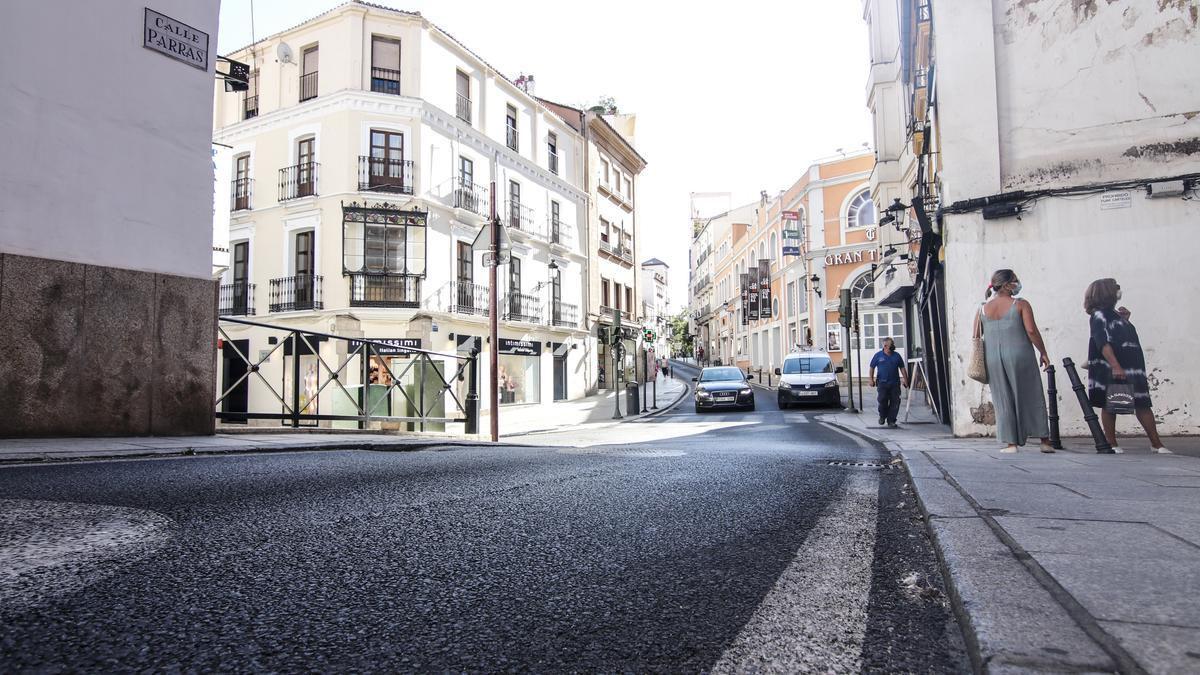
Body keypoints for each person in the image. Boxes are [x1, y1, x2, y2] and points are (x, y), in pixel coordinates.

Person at [1084, 278, 1172, 454]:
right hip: (1115, 367)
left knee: (1142, 403)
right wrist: (1115, 365)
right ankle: (1112, 442)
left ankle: (1156, 443)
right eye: (1115, 288)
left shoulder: (1114, 314)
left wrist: (1125, 320)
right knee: (1111, 404)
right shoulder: (1099, 315)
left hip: (1132, 367)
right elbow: (1102, 342)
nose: (1118, 291)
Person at [978, 269, 1054, 453]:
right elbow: (1031, 331)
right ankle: (1044, 440)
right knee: (1031, 394)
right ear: (1006, 285)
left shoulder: (982, 308)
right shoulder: (1020, 304)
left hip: (993, 358)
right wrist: (1043, 352)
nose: (1017, 283)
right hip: (1020, 354)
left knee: (1003, 398)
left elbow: (977, 334)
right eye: (1015, 280)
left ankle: (1011, 444)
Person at [869, 337, 909, 428]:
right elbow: (872, 367)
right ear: (885, 346)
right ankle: (882, 416)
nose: (893, 347)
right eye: (891, 345)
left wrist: (906, 380)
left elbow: (902, 368)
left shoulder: (897, 356)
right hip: (882, 383)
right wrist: (871, 379)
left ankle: (891, 420)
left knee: (895, 402)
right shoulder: (878, 355)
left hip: (894, 383)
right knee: (882, 400)